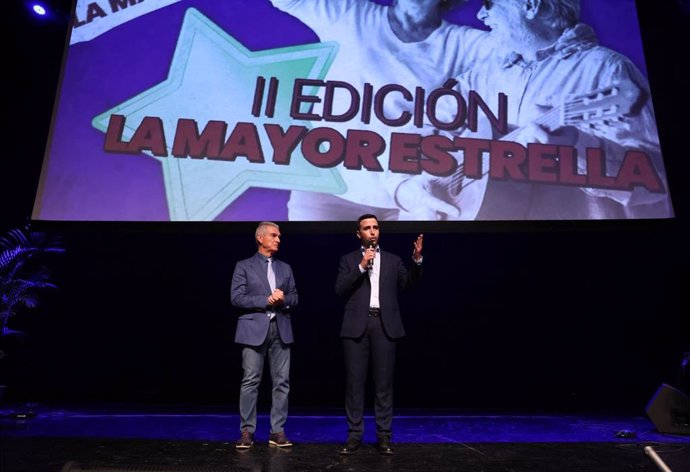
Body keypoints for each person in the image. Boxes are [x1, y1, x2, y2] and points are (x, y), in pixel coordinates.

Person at [393, 0, 673, 220]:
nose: (480, 15)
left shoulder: (606, 69)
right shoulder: (485, 76)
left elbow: (656, 179)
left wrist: (578, 148)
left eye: (489, 3)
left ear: (530, 4)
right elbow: (419, 127)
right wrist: (404, 189)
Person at [268, 0, 487, 221]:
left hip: (408, 201)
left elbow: (518, 52)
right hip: (325, 193)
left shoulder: (464, 44)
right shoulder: (348, 13)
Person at [335, 214, 423, 455]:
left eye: (375, 227)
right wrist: (362, 265)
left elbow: (408, 285)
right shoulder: (349, 259)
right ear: (359, 234)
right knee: (354, 385)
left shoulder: (394, 261)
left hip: (385, 326)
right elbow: (340, 288)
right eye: (367, 228)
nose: (372, 231)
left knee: (383, 385)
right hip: (356, 326)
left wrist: (416, 260)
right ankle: (354, 436)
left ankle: (384, 436)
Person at [230, 221, 298, 449]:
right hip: (254, 329)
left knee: (282, 382)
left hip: (281, 329)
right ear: (260, 238)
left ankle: (277, 431)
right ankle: (247, 431)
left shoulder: (285, 268)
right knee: (250, 381)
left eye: (279, 236)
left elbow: (295, 297)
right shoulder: (244, 266)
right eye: (274, 235)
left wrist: (283, 299)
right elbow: (236, 298)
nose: (278, 239)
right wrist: (265, 300)